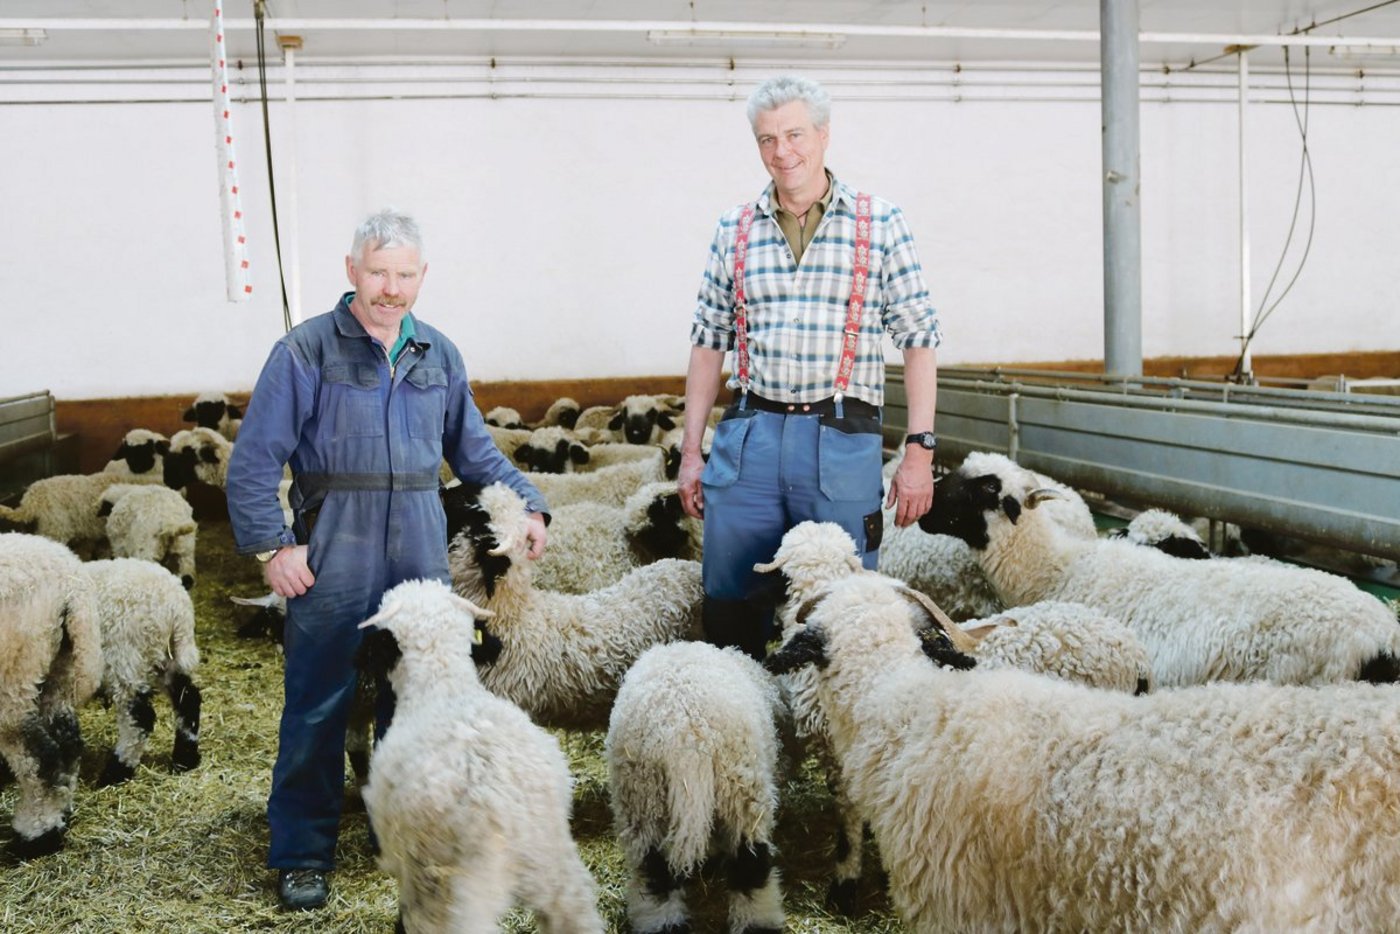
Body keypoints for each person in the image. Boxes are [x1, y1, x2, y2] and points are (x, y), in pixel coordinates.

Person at [226, 209, 549, 911]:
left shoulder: (439, 354)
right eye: (379, 272)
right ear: (351, 271)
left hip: (418, 550)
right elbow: (252, 461)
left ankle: (402, 829)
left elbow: (475, 453)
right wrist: (272, 547)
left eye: (405, 275)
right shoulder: (305, 351)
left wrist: (530, 503)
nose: (391, 289)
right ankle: (303, 851)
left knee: (417, 703)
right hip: (334, 549)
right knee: (318, 703)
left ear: (422, 277)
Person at [677, 75, 940, 660]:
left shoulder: (879, 222)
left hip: (840, 436)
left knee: (845, 602)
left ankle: (833, 729)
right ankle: (740, 726)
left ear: (823, 135)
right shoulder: (734, 229)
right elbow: (707, 343)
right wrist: (692, 450)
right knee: (730, 595)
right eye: (767, 139)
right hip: (750, 437)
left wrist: (918, 451)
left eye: (794, 134)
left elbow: (919, 340)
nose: (782, 151)